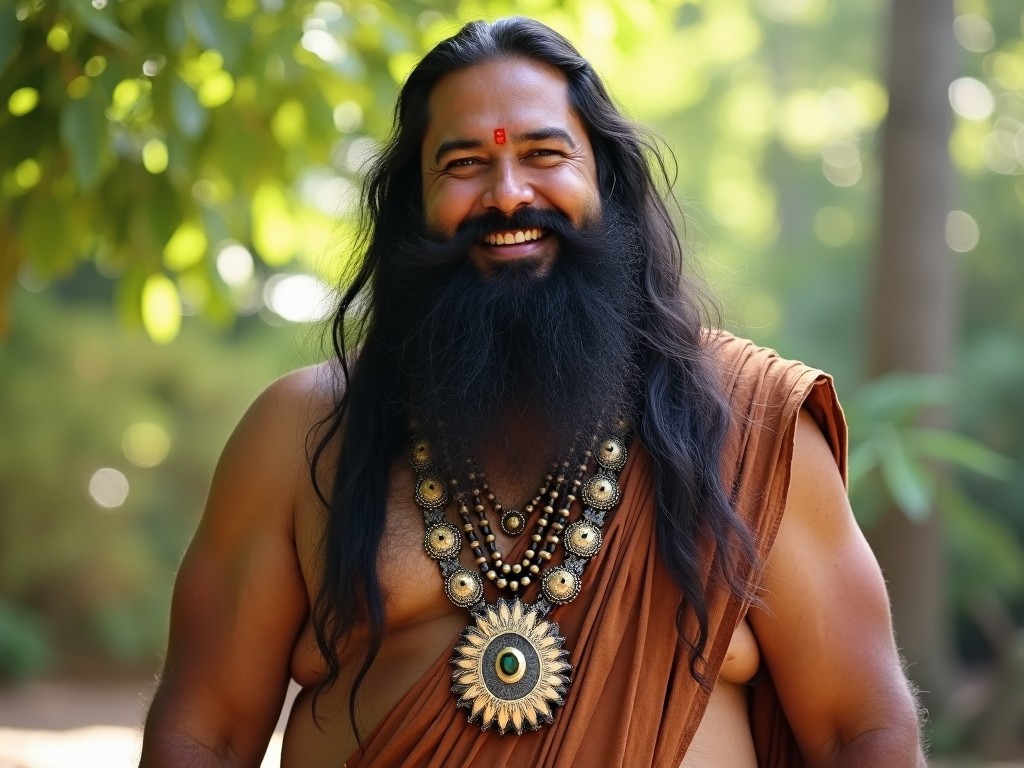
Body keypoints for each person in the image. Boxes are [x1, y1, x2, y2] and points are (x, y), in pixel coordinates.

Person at [140, 17, 926, 768]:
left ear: (606, 182)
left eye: (546, 154)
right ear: (415, 205)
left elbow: (860, 727)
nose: (508, 194)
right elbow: (204, 732)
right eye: (463, 164)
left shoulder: (749, 425)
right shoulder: (300, 431)